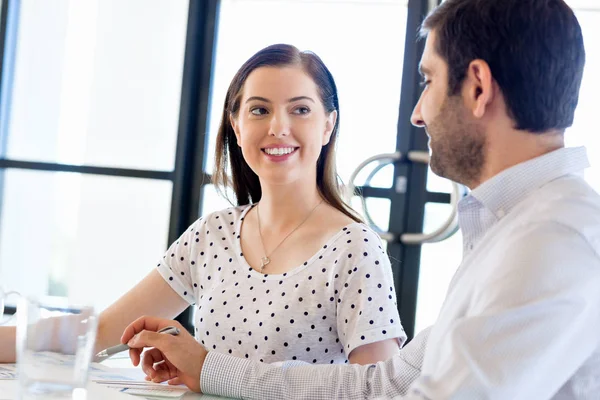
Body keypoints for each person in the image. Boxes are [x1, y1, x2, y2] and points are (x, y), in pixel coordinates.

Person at [120, 0, 600, 398]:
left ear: (477, 87)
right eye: (259, 110)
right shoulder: (514, 229)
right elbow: (387, 384)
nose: (417, 114)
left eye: (428, 81)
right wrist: (209, 368)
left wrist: (209, 369)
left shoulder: (551, 241)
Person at [0, 44, 405, 371]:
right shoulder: (213, 235)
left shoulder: (356, 249)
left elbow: (375, 390)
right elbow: (100, 331)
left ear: (328, 125)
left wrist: (209, 367)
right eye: (259, 110)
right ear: (236, 124)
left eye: (300, 109)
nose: (278, 127)